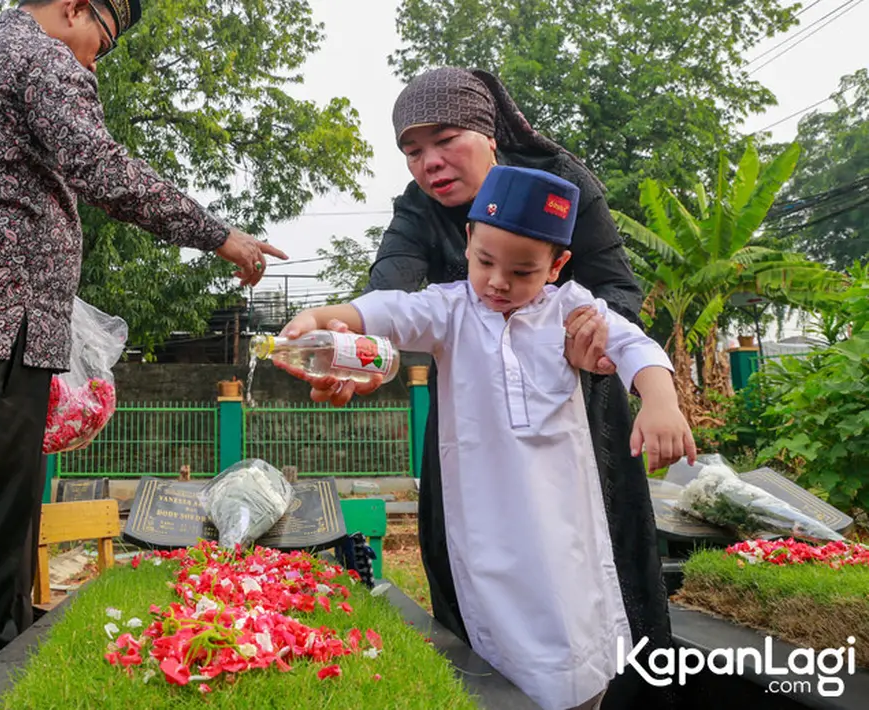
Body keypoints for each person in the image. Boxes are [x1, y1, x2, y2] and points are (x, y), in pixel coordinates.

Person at [0, 2, 286, 708]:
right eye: (100, 41)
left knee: (0, 527)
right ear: (73, 9)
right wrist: (219, 236)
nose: (92, 60)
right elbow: (98, 166)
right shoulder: (43, 58)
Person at [280, 68, 678, 709]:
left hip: (576, 420)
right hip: (474, 430)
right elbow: (394, 307)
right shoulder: (419, 215)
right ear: (469, 242)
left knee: (599, 572)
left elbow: (621, 303)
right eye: (412, 150)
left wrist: (592, 342)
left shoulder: (562, 186)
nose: (429, 163)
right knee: (473, 572)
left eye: (445, 140)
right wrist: (358, 357)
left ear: (489, 133)